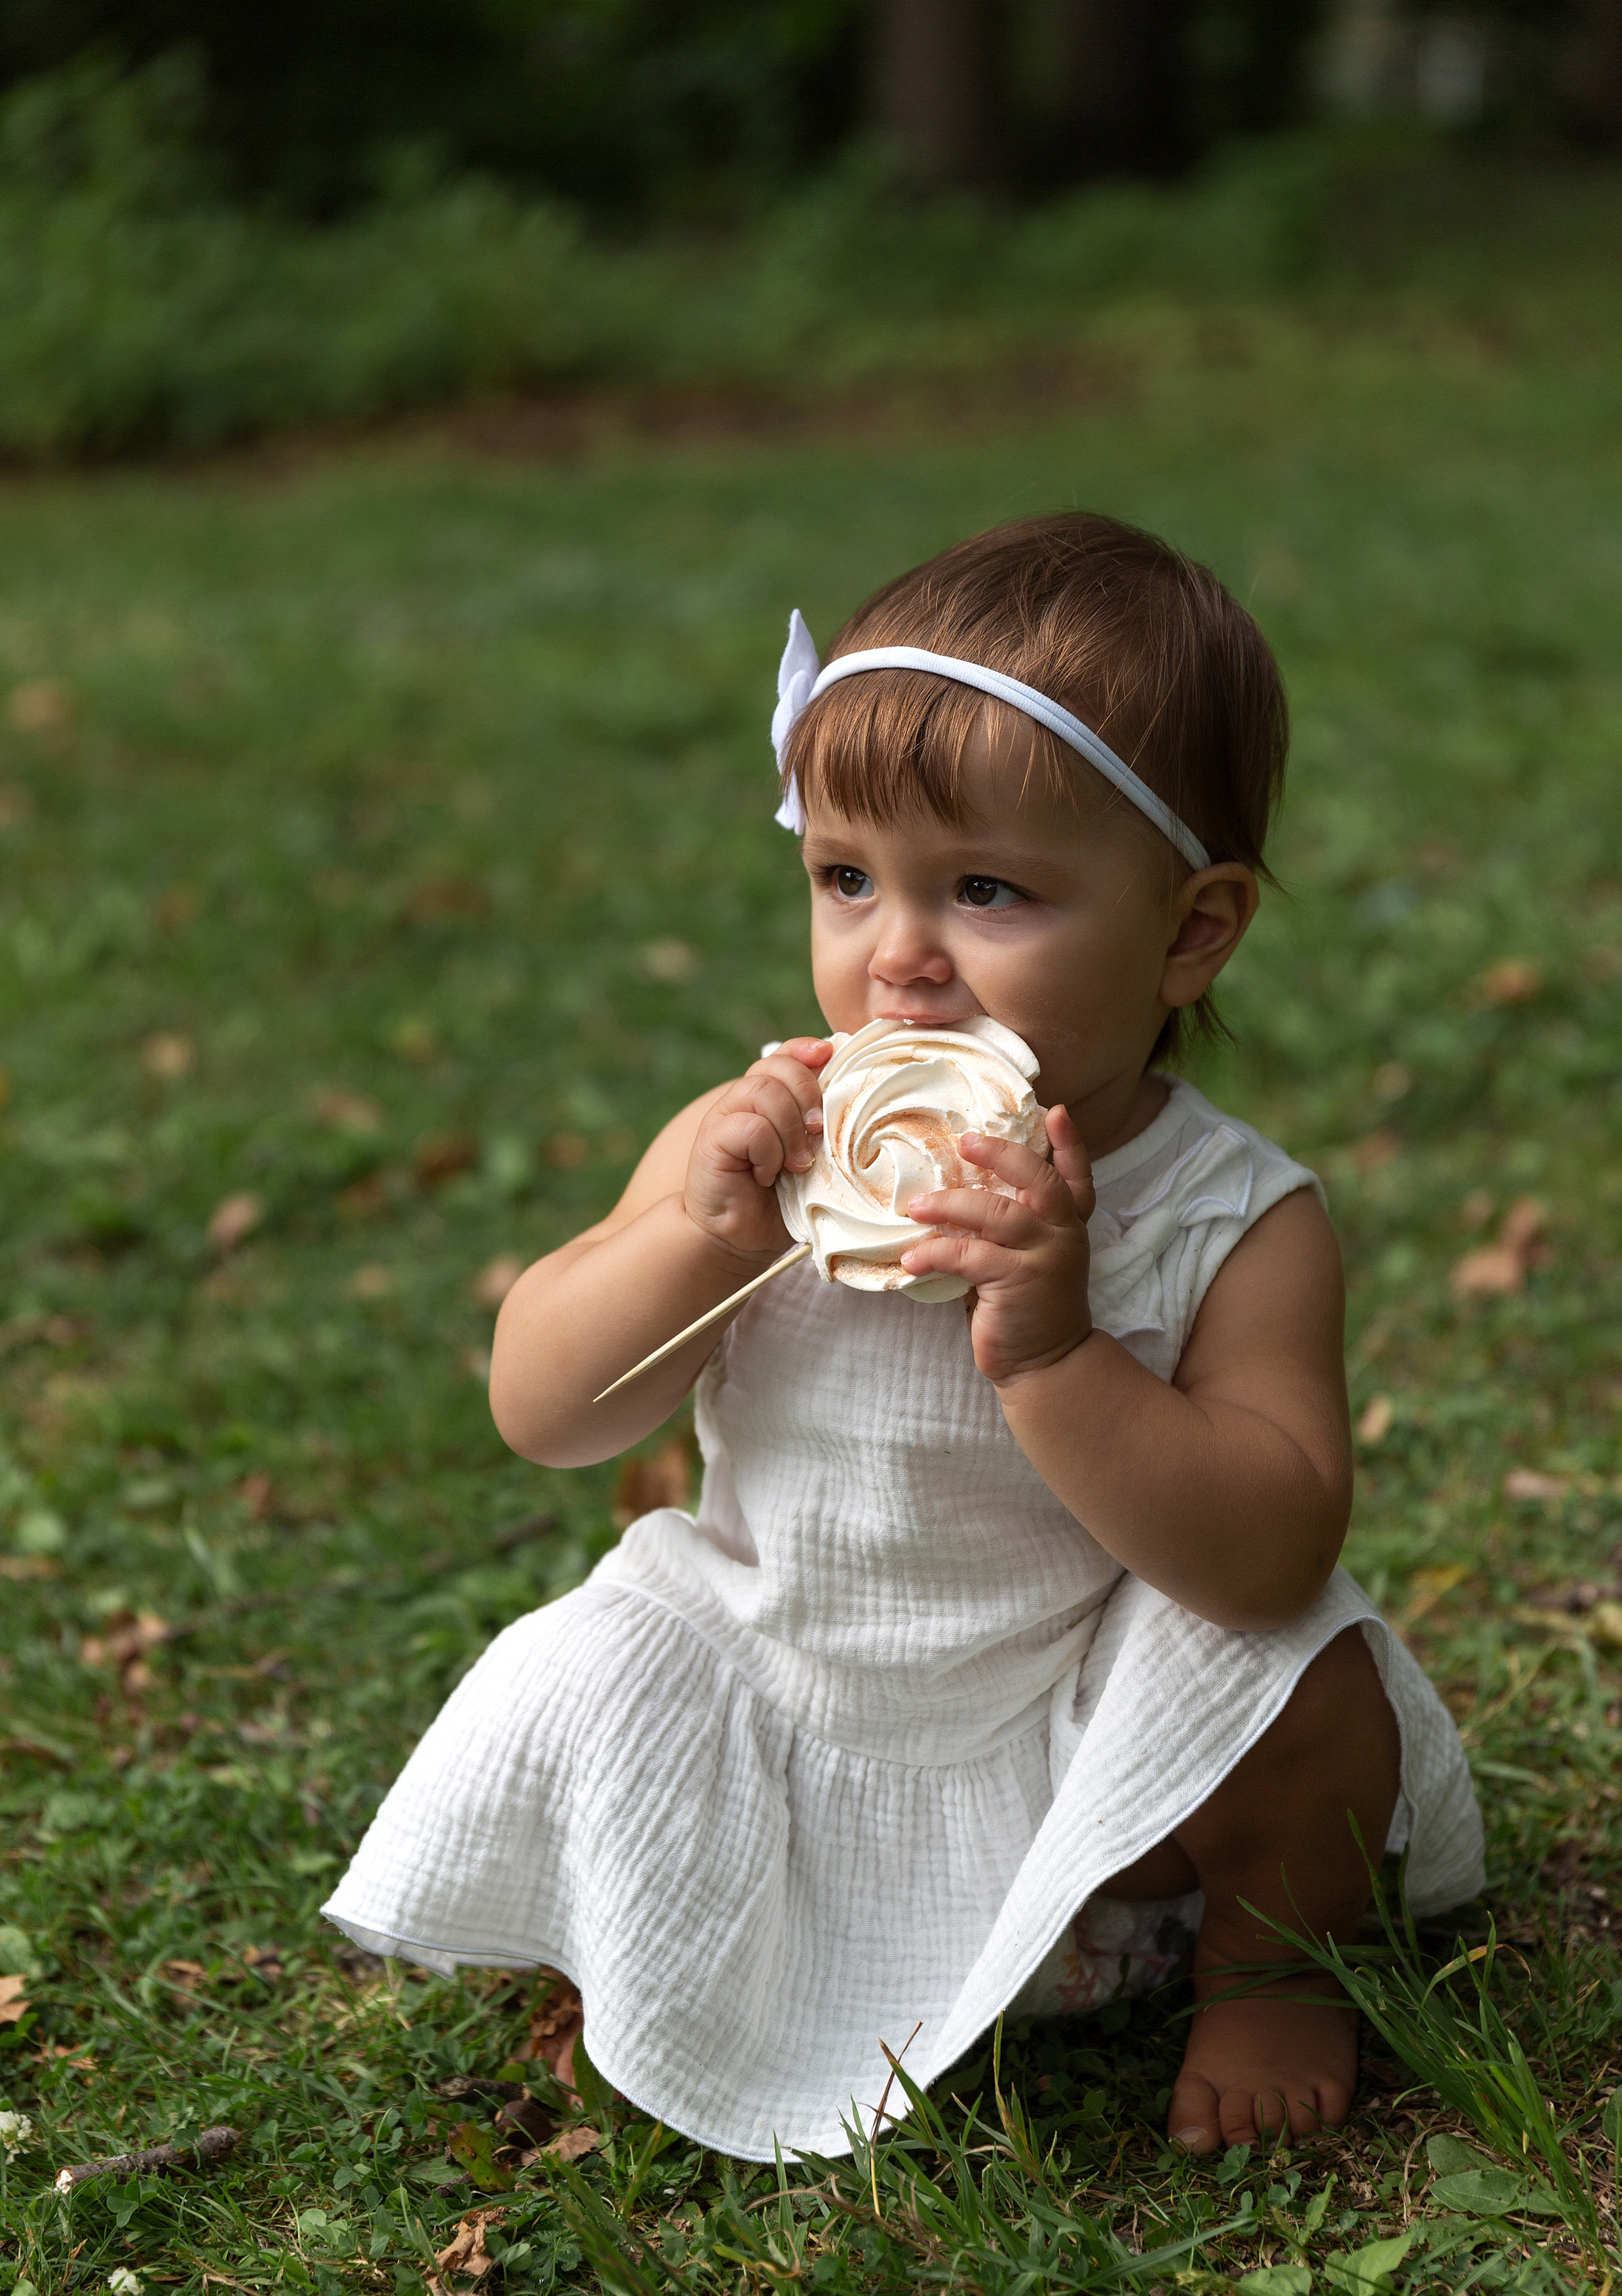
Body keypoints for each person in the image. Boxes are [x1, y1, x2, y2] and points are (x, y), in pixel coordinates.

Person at [324, 512, 1482, 2160]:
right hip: (792, 1705)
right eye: (845, 877)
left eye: (985, 889)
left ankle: (1270, 1968)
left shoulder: (1230, 1219)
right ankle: (691, 1936)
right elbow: (547, 1413)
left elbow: (1266, 1556)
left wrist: (1058, 1353)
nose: (897, 957)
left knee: (1304, 1678)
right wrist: (691, 1243)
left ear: (1189, 930)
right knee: (598, 1655)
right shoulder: (758, 1146)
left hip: (1086, 1754)